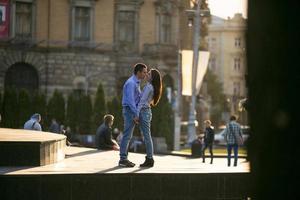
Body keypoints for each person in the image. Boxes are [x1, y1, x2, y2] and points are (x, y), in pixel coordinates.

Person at [119, 63, 148, 167]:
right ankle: (123, 159)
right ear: (138, 72)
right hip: (129, 110)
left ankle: (124, 158)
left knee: (128, 135)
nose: (146, 74)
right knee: (127, 135)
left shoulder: (136, 82)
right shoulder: (131, 83)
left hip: (131, 110)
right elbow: (131, 101)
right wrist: (136, 114)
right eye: (144, 72)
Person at [136, 68, 162, 167]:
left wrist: (136, 114)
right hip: (146, 112)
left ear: (152, 77)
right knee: (146, 136)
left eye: (149, 73)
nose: (147, 74)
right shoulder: (148, 86)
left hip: (144, 112)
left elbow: (142, 101)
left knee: (147, 137)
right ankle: (149, 158)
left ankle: (150, 159)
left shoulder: (149, 87)